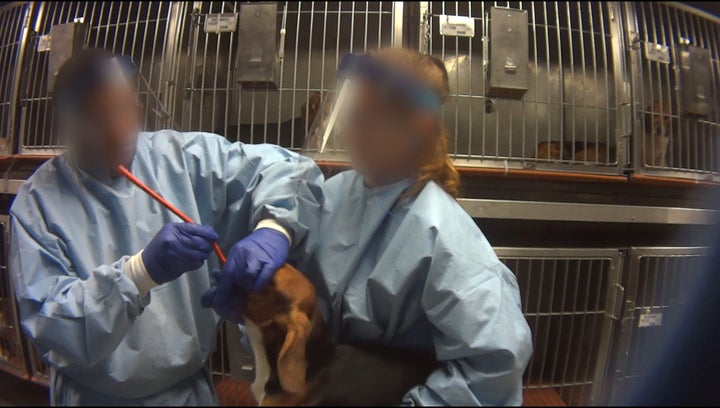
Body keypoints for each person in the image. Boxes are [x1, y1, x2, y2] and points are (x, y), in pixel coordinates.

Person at [203, 48, 533, 405]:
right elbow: (300, 299)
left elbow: (494, 367)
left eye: (365, 117)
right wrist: (256, 304)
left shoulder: (442, 236)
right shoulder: (333, 195)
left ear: (415, 128)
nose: (349, 128)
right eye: (349, 112)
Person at [9, 48, 323, 405]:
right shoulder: (38, 204)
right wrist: (138, 273)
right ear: (69, 124)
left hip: (185, 393)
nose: (117, 131)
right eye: (98, 119)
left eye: (124, 109)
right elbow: (54, 326)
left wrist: (273, 229)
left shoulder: (179, 160)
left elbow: (291, 170)